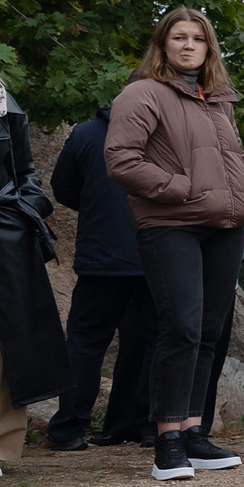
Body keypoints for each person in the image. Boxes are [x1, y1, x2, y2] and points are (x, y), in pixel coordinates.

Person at [106, 7, 244, 481]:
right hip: (171, 225)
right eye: (179, 37)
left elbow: (232, 159)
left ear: (209, 48)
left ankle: (194, 431)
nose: (189, 45)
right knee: (181, 328)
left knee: (210, 332)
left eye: (198, 38)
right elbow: (120, 159)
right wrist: (183, 189)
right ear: (163, 44)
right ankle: (167, 438)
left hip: (225, 227)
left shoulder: (219, 100)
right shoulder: (142, 93)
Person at [46, 102, 155, 455]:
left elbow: (62, 187)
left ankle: (69, 427)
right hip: (157, 250)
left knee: (85, 341)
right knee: (159, 341)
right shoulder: (167, 133)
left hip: (102, 253)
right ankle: (153, 425)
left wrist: (96, 204)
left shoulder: (87, 133)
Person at [0, 39, 65, 480]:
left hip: (2, 230)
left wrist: (27, 207)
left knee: (5, 341)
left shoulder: (3, 100)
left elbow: (27, 171)